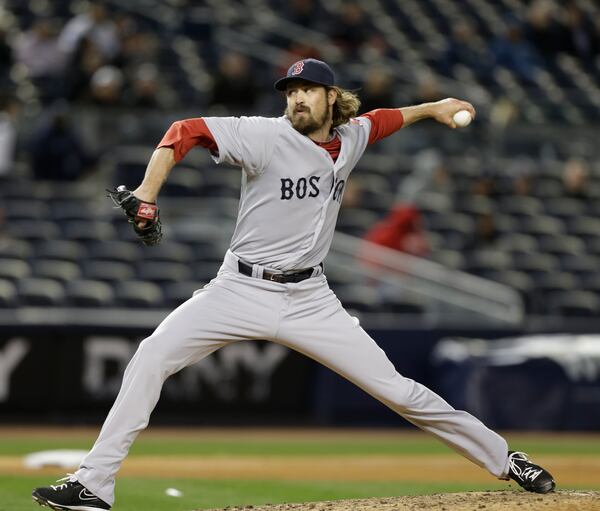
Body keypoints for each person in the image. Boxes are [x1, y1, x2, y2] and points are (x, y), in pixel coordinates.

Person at [32, 58, 555, 511]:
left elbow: (384, 120)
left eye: (307, 90)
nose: (297, 98)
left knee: (400, 392)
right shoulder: (263, 135)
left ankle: (506, 459)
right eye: (291, 91)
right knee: (151, 355)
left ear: (332, 98)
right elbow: (183, 131)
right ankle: (93, 485)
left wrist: (435, 105)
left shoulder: (350, 137)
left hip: (311, 300)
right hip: (238, 289)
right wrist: (147, 193)